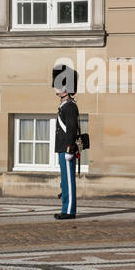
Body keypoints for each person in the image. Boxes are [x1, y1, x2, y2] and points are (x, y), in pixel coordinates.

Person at [53, 65, 79, 220]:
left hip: (67, 148)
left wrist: (69, 149)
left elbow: (71, 128)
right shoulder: (65, 105)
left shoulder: (69, 106)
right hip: (62, 147)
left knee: (68, 181)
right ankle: (66, 206)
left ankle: (69, 210)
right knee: (65, 180)